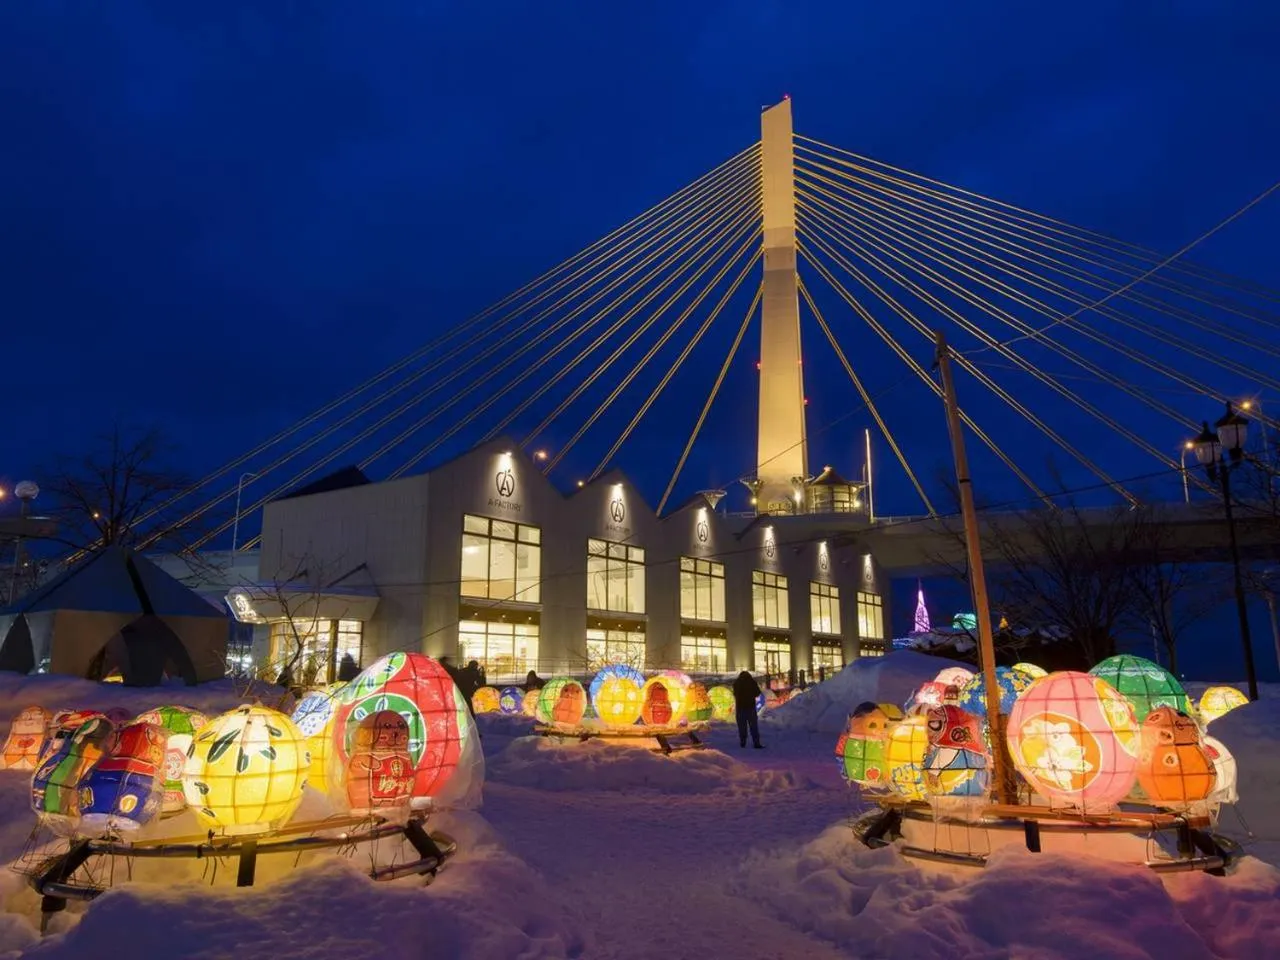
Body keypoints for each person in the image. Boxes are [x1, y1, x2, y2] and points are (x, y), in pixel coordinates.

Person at [732, 670, 763, 749]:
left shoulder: (737, 683)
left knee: (742, 727)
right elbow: (757, 693)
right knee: (754, 727)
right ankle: (756, 743)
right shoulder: (752, 682)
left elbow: (735, 693)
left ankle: (743, 742)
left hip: (740, 708)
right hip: (750, 707)